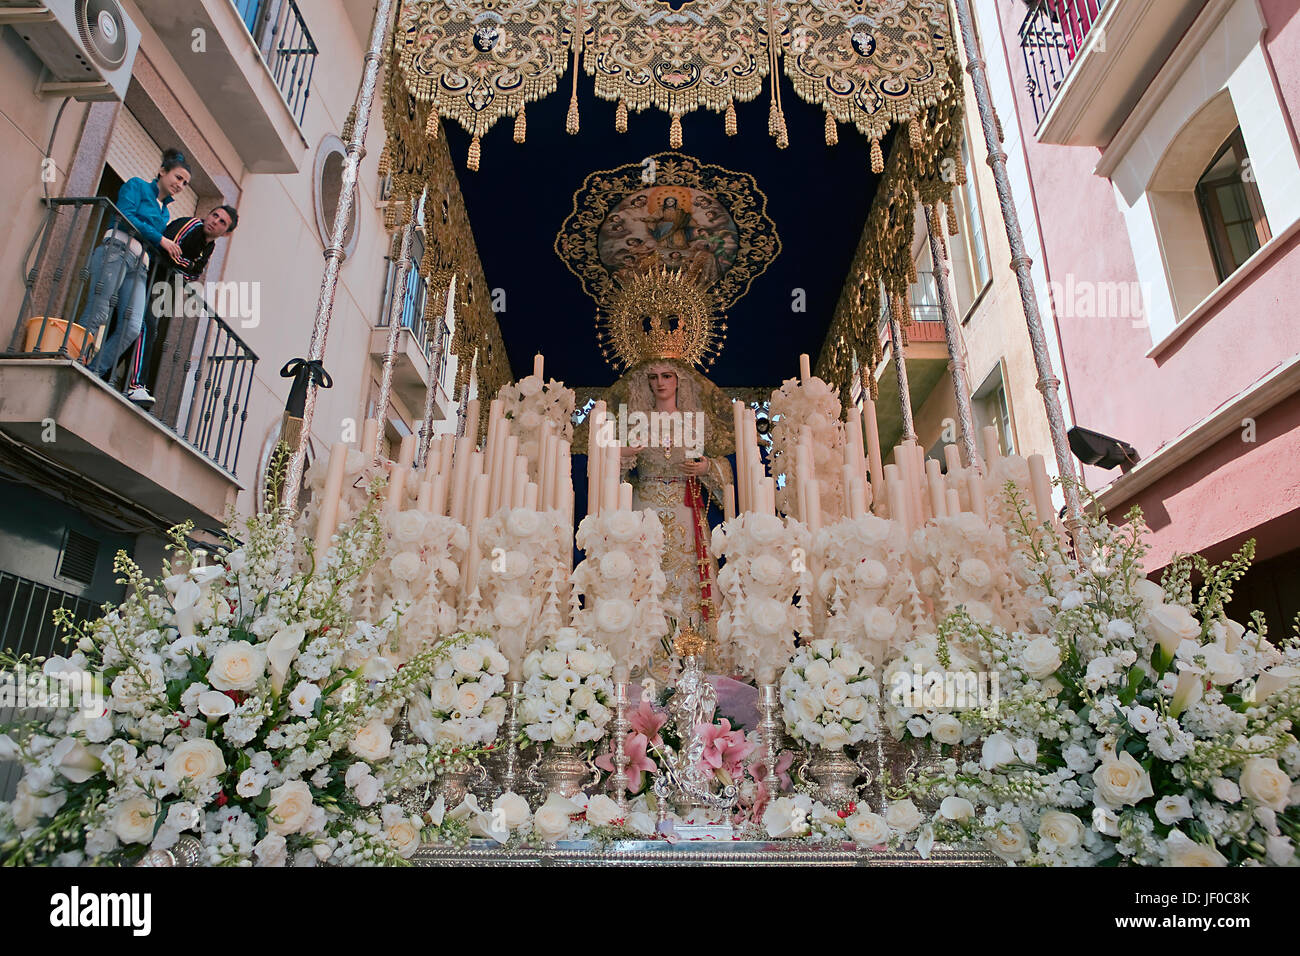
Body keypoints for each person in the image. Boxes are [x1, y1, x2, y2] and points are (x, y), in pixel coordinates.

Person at [617, 360, 734, 676]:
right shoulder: (632, 422)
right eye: (653, 377)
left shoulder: (697, 423)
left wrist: (707, 468)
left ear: (680, 380)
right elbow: (605, 471)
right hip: (644, 509)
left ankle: (694, 659)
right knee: (646, 579)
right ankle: (645, 662)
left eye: (667, 375)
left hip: (685, 510)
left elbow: (723, 466)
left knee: (687, 582)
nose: (660, 383)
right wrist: (623, 455)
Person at [78, 148, 190, 393]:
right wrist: (160, 239)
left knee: (132, 327)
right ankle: (73, 357)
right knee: (99, 311)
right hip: (116, 250)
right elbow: (125, 215)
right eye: (178, 177)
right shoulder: (136, 185)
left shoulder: (165, 212)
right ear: (162, 171)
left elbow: (151, 237)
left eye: (185, 183)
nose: (180, 185)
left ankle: (95, 370)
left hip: (140, 266)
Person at [125, 204, 238, 406]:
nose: (214, 221)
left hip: (157, 286)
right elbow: (170, 250)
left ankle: (110, 373)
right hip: (145, 275)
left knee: (139, 331)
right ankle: (136, 385)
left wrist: (184, 265)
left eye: (222, 222)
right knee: (145, 328)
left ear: (227, 233)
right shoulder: (191, 224)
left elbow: (195, 274)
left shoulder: (208, 246)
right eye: (214, 215)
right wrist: (187, 264)